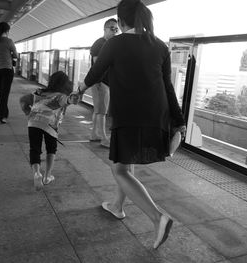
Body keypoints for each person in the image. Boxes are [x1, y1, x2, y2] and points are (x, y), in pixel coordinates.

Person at [76, 0, 186, 249]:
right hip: (157, 114)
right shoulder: (159, 46)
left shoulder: (115, 43)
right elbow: (168, 86)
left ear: (121, 20)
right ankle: (117, 207)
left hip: (129, 114)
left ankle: (158, 217)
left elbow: (96, 72)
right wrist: (179, 120)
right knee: (127, 162)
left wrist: (79, 89)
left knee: (119, 169)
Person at [19, 71, 79, 191]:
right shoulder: (61, 95)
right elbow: (69, 101)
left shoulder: (39, 92)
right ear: (65, 84)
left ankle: (37, 173)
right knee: (51, 149)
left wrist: (28, 113)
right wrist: (73, 98)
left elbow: (23, 100)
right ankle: (47, 177)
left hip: (34, 122)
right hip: (50, 126)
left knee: (34, 149)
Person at [89, 18, 119, 148]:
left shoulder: (109, 44)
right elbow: (97, 65)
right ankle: (104, 138)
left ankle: (94, 134)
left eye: (116, 29)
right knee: (102, 111)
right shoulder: (99, 44)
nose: (115, 31)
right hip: (101, 82)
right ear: (105, 29)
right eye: (112, 28)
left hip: (103, 83)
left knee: (98, 110)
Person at [0, 22, 17, 124]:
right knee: (5, 94)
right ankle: (1, 116)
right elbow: (15, 55)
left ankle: (4, 113)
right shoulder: (9, 41)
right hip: (7, 69)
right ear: (7, 31)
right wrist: (9, 55)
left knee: (2, 93)